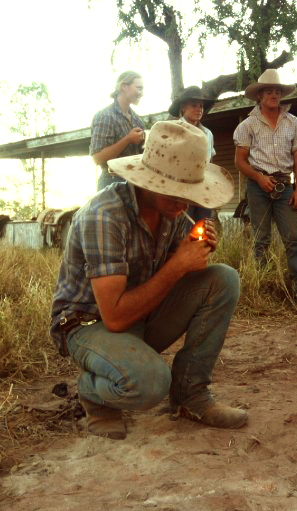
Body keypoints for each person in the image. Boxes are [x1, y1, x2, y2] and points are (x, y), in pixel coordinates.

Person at [50, 120, 247, 440]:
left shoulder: (174, 215)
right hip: (87, 324)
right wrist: (177, 266)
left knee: (222, 279)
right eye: (176, 192)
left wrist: (197, 252)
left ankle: (190, 395)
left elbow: (184, 286)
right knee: (149, 383)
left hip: (138, 315)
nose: (185, 203)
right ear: (148, 179)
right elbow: (113, 317)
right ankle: (90, 391)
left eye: (190, 192)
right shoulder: (105, 216)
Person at [233, 69, 297, 313]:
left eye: (277, 91)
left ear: (281, 95)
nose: (273, 95)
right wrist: (258, 178)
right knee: (260, 240)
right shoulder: (247, 125)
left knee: (293, 238)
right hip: (258, 185)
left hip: (284, 186)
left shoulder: (292, 122)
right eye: (268, 91)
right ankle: (261, 293)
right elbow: (240, 161)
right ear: (259, 96)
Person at [90, 71, 146, 191]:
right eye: (139, 88)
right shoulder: (105, 116)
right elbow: (97, 158)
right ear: (124, 87)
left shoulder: (137, 120)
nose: (142, 93)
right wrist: (128, 139)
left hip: (135, 181)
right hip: (111, 182)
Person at [168, 85, 217, 221]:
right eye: (194, 105)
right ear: (183, 107)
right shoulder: (174, 130)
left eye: (201, 106)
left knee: (202, 226)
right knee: (183, 227)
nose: (199, 109)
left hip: (203, 187)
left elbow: (210, 161)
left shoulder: (208, 133)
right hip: (181, 189)